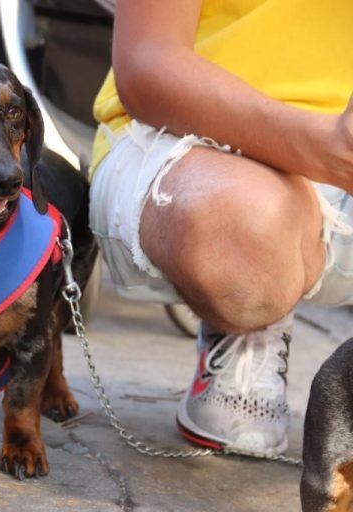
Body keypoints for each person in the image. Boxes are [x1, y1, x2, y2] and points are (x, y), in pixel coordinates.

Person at [89, 0, 353, 456]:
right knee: (243, 231)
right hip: (190, 137)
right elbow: (146, 61)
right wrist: (327, 149)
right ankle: (247, 336)